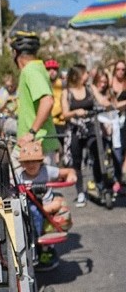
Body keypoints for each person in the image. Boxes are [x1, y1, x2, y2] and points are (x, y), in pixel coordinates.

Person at [15, 140, 76, 272]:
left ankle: (38, 242)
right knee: (30, 210)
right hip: (30, 207)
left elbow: (68, 171)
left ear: (40, 161)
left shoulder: (47, 171)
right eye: (27, 162)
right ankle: (33, 242)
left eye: (34, 161)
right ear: (22, 164)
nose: (31, 165)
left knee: (58, 207)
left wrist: (71, 176)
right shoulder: (19, 176)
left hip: (47, 207)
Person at [9, 31, 58, 165]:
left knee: (12, 175)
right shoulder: (39, 68)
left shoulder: (30, 70)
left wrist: (31, 132)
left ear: (15, 53)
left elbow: (47, 101)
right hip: (33, 145)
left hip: (34, 146)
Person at [61, 63, 102, 207]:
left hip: (90, 127)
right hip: (75, 129)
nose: (88, 75)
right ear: (78, 75)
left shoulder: (90, 88)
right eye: (85, 73)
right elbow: (65, 114)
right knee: (76, 161)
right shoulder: (67, 93)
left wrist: (111, 106)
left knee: (97, 153)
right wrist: (75, 112)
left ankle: (99, 185)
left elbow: (102, 100)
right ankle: (80, 192)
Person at [46, 59, 67, 153]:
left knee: (63, 150)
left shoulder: (63, 84)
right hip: (47, 122)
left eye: (54, 69)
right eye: (49, 69)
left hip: (61, 123)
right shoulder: (42, 84)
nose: (52, 71)